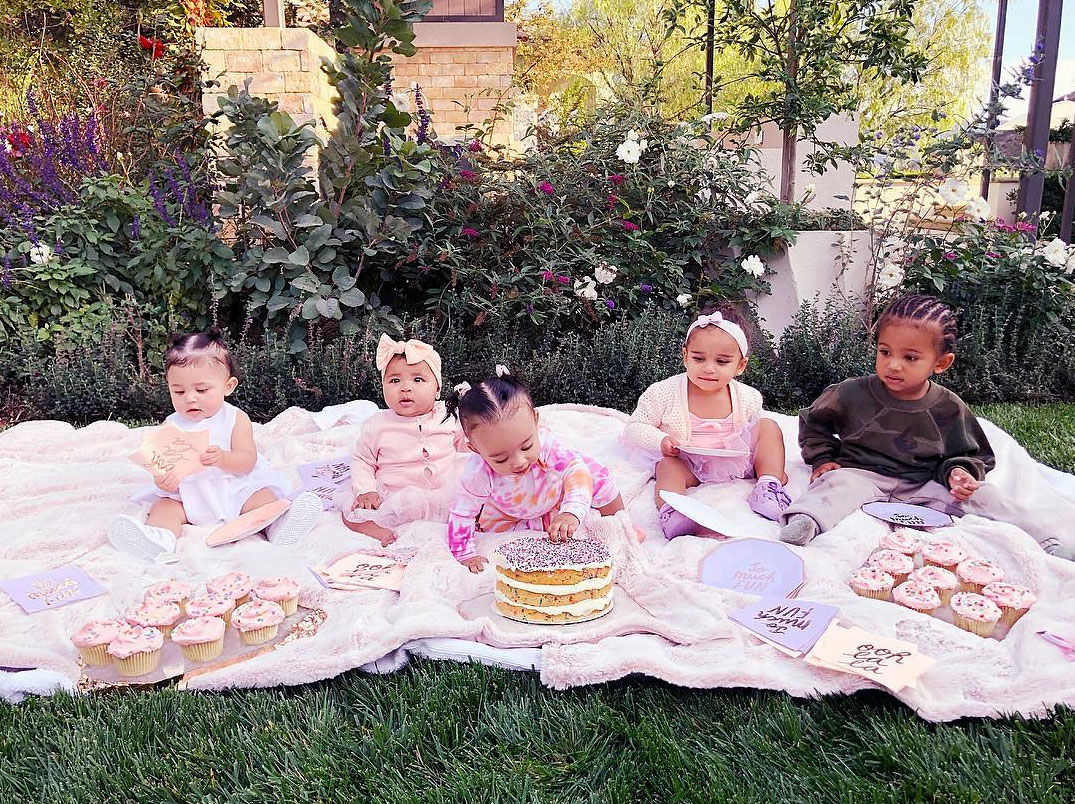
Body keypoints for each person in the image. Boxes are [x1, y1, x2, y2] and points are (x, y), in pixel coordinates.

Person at [779, 293, 1075, 561]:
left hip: (925, 481)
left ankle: (1047, 542)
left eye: (910, 357)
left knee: (988, 496)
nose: (894, 365)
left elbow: (971, 453)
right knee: (836, 485)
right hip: (863, 473)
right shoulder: (850, 393)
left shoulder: (947, 407)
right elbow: (813, 421)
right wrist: (823, 458)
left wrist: (959, 473)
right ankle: (806, 521)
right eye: (885, 352)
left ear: (941, 363)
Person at [109, 328, 321, 561]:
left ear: (228, 386)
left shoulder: (235, 419)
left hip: (236, 491)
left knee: (265, 500)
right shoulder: (171, 425)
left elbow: (247, 461)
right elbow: (164, 467)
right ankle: (160, 540)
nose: (190, 398)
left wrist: (223, 458)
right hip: (192, 495)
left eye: (202, 390)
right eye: (178, 391)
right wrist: (165, 481)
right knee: (163, 507)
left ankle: (280, 526)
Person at [623, 305, 790, 538]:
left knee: (769, 427)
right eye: (698, 358)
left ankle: (769, 484)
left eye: (722, 362)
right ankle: (673, 511)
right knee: (667, 468)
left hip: (733, 459)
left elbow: (753, 435)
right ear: (685, 356)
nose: (708, 369)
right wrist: (661, 440)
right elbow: (635, 427)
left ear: (740, 366)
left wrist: (764, 460)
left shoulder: (748, 397)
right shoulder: (663, 393)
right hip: (688, 462)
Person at [445, 367, 624, 573]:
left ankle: (619, 525)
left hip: (554, 496)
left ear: (536, 421)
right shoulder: (477, 473)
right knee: (518, 541)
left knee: (596, 474)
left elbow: (576, 472)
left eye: (527, 446)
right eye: (500, 458)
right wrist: (465, 553)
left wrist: (570, 512)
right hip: (512, 513)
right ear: (475, 450)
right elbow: (462, 512)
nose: (519, 461)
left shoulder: (548, 444)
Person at [340, 334, 466, 545]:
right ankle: (374, 529)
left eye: (418, 380)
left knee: (477, 495)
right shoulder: (378, 425)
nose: (405, 388)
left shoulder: (448, 414)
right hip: (395, 494)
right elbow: (363, 460)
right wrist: (367, 490)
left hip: (444, 489)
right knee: (351, 513)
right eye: (394, 380)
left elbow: (463, 440)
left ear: (437, 389)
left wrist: (483, 447)